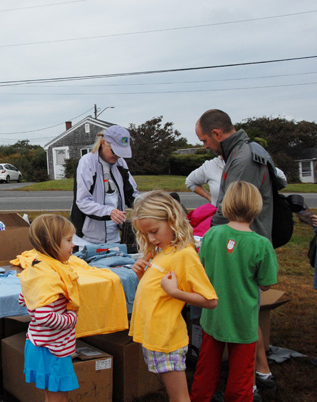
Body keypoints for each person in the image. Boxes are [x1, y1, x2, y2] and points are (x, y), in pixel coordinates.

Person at [195, 109, 279, 396]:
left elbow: (226, 209)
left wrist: (210, 237)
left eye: (205, 140)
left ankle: (257, 378)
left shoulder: (242, 158)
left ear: (217, 134)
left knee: (238, 312)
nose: (205, 146)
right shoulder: (241, 152)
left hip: (240, 249)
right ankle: (258, 375)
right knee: (242, 311)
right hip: (242, 250)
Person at [190, 181, 279, 402]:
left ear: (226, 204)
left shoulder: (212, 234)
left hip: (213, 317)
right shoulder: (261, 244)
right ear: (257, 206)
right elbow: (266, 284)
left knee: (205, 372)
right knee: (241, 379)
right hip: (243, 321)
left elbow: (202, 267)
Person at [129, 190, 218, 402]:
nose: (151, 238)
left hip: (167, 338)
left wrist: (176, 292)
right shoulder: (163, 251)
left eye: (154, 231)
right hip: (154, 336)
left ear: (172, 220)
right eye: (146, 234)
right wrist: (142, 275)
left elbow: (211, 300)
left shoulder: (184, 254)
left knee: (179, 397)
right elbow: (158, 292)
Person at [18, 214, 80, 402]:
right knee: (58, 397)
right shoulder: (49, 277)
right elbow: (45, 316)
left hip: (40, 345)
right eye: (68, 240)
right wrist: (71, 318)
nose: (73, 245)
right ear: (51, 243)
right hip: (52, 350)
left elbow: (24, 299)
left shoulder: (39, 267)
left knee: (51, 395)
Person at [70, 125, 139, 248]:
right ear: (103, 143)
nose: (117, 157)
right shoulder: (87, 162)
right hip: (88, 238)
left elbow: (131, 194)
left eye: (121, 153)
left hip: (113, 236)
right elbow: (82, 201)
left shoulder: (120, 163)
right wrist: (109, 211)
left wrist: (149, 203)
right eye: (114, 152)